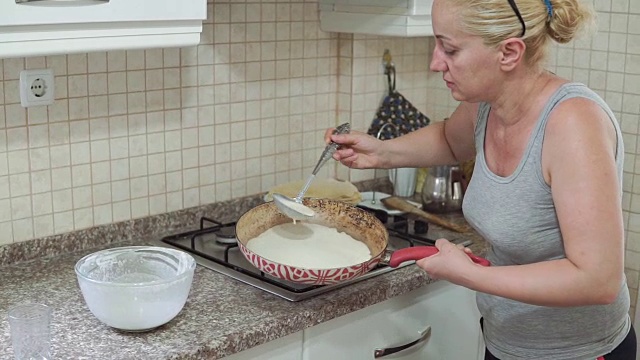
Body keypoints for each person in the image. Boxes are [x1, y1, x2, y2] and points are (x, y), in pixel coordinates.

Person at [325, 0, 636, 359]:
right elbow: (448, 140)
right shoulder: (486, 104)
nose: (435, 61)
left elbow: (598, 280)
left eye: (450, 48)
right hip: (504, 343)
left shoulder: (572, 124)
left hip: (578, 353)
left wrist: (469, 275)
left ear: (508, 52)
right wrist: (380, 152)